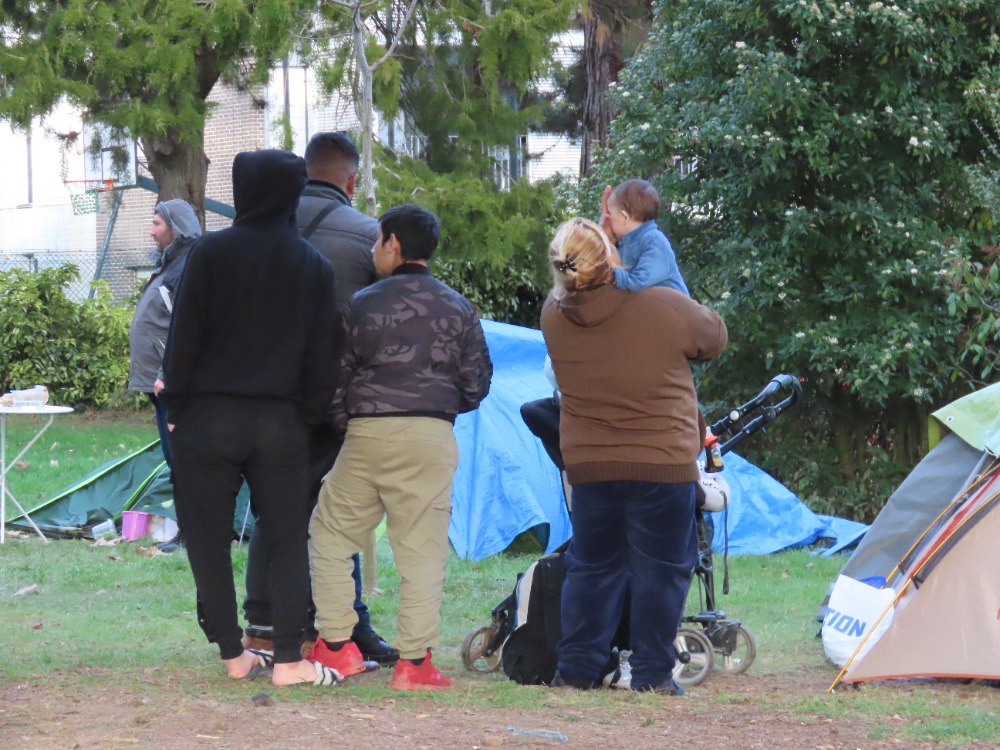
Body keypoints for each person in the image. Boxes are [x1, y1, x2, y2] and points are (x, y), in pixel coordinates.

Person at [160, 149, 344, 687]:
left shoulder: (210, 254)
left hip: (208, 416)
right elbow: (323, 357)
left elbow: (184, 340)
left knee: (208, 537)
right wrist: (308, 417)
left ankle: (232, 652)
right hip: (281, 423)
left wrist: (177, 408)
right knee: (287, 538)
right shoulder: (313, 264)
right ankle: (288, 659)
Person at [307, 204, 493, 690]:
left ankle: (335, 646)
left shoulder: (362, 303)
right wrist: (435, 409)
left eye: (376, 243)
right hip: (431, 437)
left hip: (367, 436)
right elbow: (477, 383)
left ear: (392, 244)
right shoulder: (458, 307)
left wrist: (349, 421)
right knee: (423, 552)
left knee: (329, 535)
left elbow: (335, 379)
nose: (373, 252)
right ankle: (414, 664)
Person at [540, 217, 727, 695]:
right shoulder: (661, 305)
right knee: (662, 571)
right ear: (612, 259)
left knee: (591, 567)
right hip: (660, 462)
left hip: (591, 465)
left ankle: (577, 670)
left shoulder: (553, 316)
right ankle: (652, 674)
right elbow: (714, 337)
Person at [241, 131, 398, 666]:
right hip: (335, 399)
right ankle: (343, 628)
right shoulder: (367, 237)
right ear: (352, 180)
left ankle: (261, 624)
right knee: (338, 514)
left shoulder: (254, 233)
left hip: (263, 395)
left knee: (273, 507)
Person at [126, 199, 201, 555]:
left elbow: (184, 330)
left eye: (156, 223)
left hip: (171, 384)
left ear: (176, 226)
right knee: (175, 460)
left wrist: (165, 374)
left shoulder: (187, 267)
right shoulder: (171, 262)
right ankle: (189, 531)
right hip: (161, 385)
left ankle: (192, 533)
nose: (151, 230)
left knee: (183, 460)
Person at [599, 179, 688, 294]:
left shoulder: (654, 240)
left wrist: (611, 274)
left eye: (609, 213)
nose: (607, 218)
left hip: (675, 309)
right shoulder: (624, 243)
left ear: (624, 217)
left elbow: (641, 281)